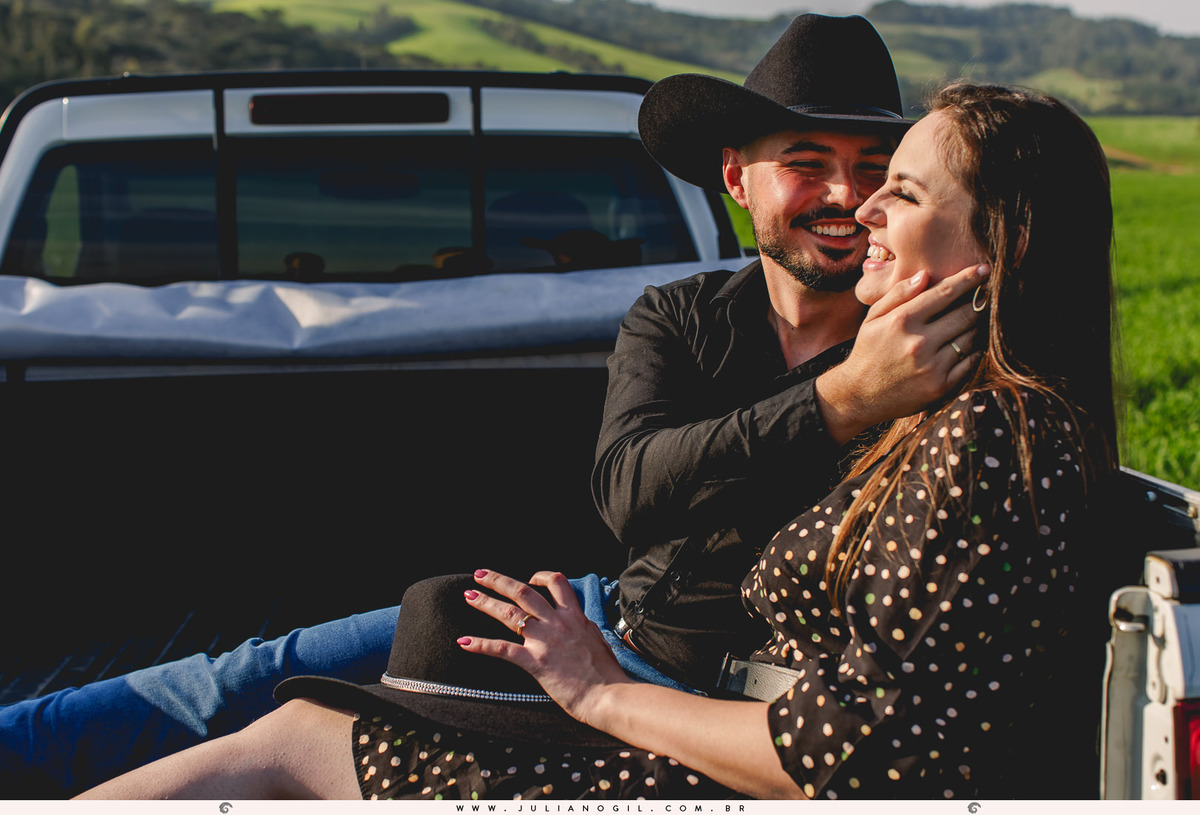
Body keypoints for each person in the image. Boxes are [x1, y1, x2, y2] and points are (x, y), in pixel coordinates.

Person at [2, 14, 982, 796]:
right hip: (603, 610)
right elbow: (629, 493)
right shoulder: (678, 313)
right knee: (242, 673)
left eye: (869, 168)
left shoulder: (928, 332)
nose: (840, 193)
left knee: (292, 730)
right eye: (806, 161)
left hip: (712, 690)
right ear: (736, 178)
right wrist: (843, 399)